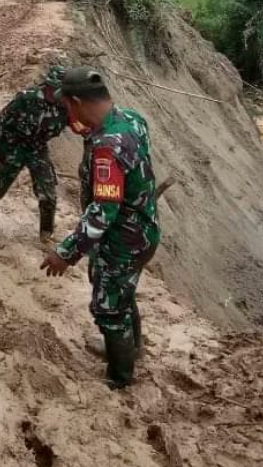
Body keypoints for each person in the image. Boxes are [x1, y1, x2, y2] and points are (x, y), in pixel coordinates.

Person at [39, 68, 160, 390]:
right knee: (121, 291)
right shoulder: (131, 119)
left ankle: (120, 377)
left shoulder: (108, 146)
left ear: (77, 101)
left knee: (108, 307)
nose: (69, 116)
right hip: (143, 229)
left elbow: (103, 213)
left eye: (68, 107)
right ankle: (132, 349)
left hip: (124, 238)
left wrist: (65, 253)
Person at [0, 66, 68, 241]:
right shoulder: (26, 98)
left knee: (48, 194)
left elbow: (81, 124)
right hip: (13, 146)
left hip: (38, 148)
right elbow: (1, 122)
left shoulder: (66, 106)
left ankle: (46, 234)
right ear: (50, 86)